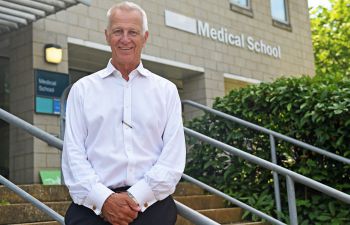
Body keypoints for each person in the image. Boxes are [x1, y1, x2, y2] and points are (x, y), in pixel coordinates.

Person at [61, 2, 186, 225]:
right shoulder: (82, 90)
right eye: (118, 31)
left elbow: (172, 159)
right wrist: (105, 200)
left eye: (133, 32)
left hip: (152, 205)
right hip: (92, 206)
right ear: (107, 36)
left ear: (145, 37)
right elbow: (73, 155)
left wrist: (134, 197)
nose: (125, 39)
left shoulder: (166, 91)